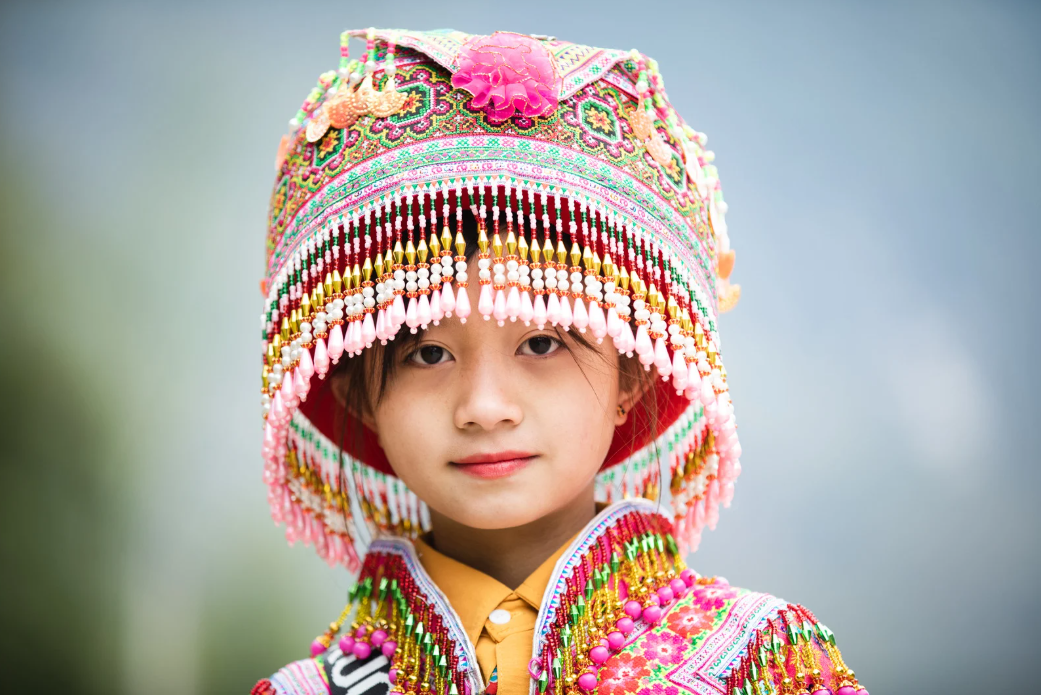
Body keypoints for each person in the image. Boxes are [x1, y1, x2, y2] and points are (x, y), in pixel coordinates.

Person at [252, 28, 868, 695]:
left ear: (630, 372)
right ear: (356, 392)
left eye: (541, 343)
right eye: (427, 352)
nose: (485, 407)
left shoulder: (759, 662)